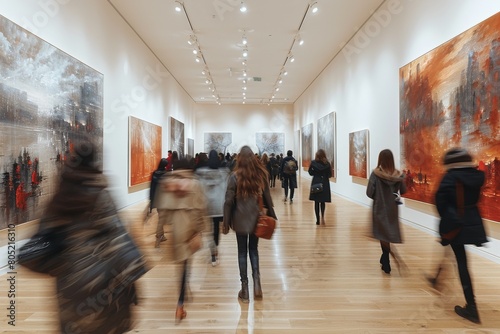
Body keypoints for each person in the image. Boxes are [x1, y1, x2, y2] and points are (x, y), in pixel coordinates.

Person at [29, 135, 147, 333]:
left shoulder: (59, 198)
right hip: (103, 282)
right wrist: (132, 280)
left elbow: (44, 240)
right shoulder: (101, 196)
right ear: (96, 161)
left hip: (69, 284)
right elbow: (119, 243)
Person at [435, 148, 488, 324]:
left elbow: (440, 202)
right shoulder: (477, 176)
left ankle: (472, 308)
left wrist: (447, 219)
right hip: (473, 222)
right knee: (462, 262)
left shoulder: (450, 177)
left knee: (462, 263)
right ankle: (437, 279)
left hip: (455, 224)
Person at [223, 146, 277, 303]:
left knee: (242, 252)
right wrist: (272, 214)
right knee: (254, 250)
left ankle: (245, 289)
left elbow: (228, 201)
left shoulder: (234, 176)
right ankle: (258, 285)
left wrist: (226, 222)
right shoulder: (260, 175)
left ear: (239, 159)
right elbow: (267, 197)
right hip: (256, 219)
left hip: (239, 220)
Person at [155, 158, 207, 324]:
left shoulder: (167, 183)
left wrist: (159, 232)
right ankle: (180, 304)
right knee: (186, 264)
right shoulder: (195, 183)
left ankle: (183, 297)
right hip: (190, 228)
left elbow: (162, 211)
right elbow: (200, 208)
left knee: (182, 265)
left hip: (175, 230)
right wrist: (200, 229)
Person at [366, 149, 406, 274]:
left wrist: (378, 197)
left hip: (379, 208)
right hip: (392, 209)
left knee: (382, 234)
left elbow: (369, 192)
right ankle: (384, 259)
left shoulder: (375, 174)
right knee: (388, 233)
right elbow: (403, 191)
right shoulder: (398, 176)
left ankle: (386, 260)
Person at [196, 150, 230, 266]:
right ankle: (215, 252)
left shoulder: (201, 173)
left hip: (206, 205)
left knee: (209, 231)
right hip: (219, 206)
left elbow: (198, 189)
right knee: (216, 229)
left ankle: (213, 252)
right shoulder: (224, 173)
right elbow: (227, 190)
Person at [308, 149, 332, 225]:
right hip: (324, 183)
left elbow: (310, 172)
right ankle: (322, 216)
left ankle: (317, 219)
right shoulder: (327, 164)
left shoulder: (313, 163)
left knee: (316, 201)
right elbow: (330, 175)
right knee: (322, 201)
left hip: (316, 182)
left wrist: (315, 173)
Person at [151, 158, 169, 247]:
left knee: (160, 217)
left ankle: (162, 236)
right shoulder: (166, 175)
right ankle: (158, 237)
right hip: (164, 199)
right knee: (161, 219)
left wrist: (151, 201)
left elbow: (152, 188)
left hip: (157, 199)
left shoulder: (154, 173)